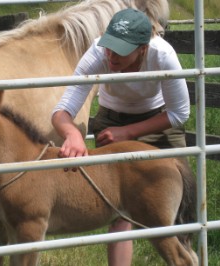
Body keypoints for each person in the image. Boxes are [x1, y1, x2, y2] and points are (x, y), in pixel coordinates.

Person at [51, 8, 190, 266]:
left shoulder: (163, 56)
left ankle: (186, 259)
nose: (111, 56)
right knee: (118, 208)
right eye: (109, 47)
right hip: (111, 122)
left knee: (176, 207)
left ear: (142, 49)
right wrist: (73, 135)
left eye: (121, 50)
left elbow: (179, 113)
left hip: (159, 122)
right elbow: (62, 110)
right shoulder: (97, 53)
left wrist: (128, 132)